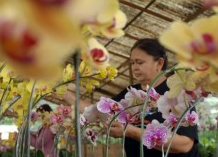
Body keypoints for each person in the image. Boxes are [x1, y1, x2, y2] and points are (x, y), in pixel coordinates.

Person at [63, 38, 200, 157]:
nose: (134, 67)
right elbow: (96, 109)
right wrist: (63, 93)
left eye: (139, 62)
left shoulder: (177, 93)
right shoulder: (131, 93)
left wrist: (132, 132)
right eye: (132, 63)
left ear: (159, 63)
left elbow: (185, 145)